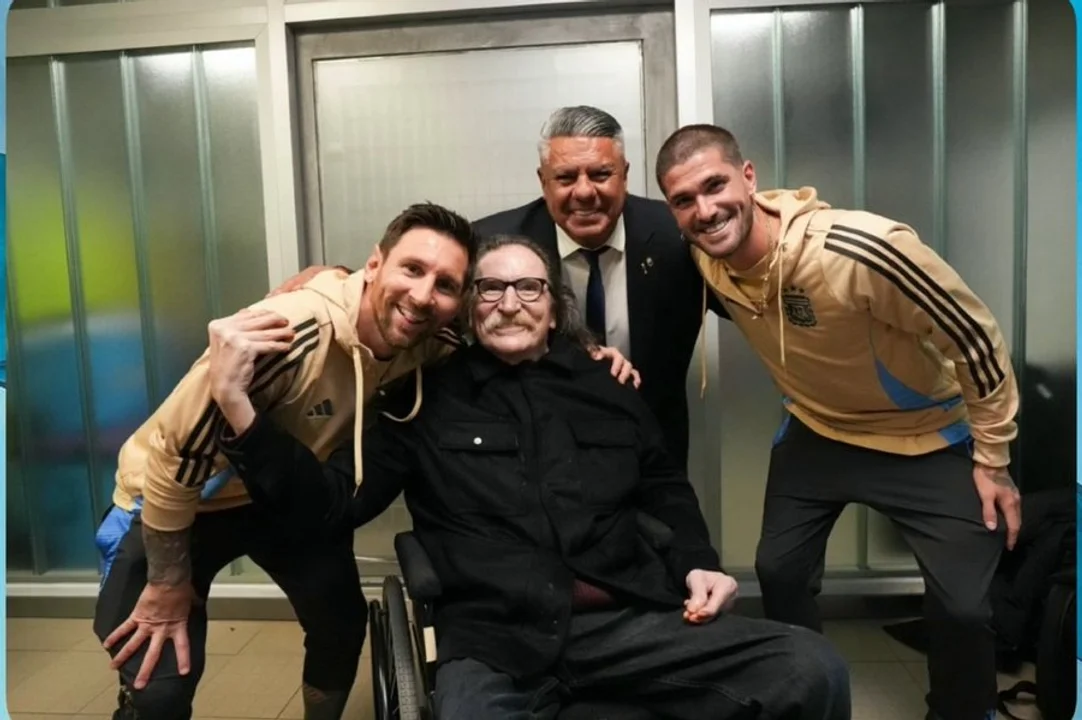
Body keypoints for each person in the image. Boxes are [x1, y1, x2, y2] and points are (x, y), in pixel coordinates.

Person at [208, 233, 852, 720]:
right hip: (493, 638)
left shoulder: (608, 385)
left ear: (554, 305)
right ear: (467, 308)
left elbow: (663, 486)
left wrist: (698, 563)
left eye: (529, 289)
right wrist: (243, 413)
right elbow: (335, 504)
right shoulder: (422, 397)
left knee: (810, 667)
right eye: (490, 289)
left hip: (628, 621)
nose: (510, 304)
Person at [653, 124, 1022, 720]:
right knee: (779, 570)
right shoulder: (703, 256)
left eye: (715, 185)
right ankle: (805, 696)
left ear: (749, 177)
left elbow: (973, 337)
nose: (705, 210)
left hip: (925, 432)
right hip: (819, 429)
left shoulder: (860, 249)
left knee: (963, 609)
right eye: (683, 200)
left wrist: (993, 458)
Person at [92, 203, 476, 720]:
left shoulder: (432, 340)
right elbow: (175, 457)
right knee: (158, 684)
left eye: (445, 284)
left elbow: (512, 317)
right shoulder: (283, 336)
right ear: (375, 264)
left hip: (275, 493)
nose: (424, 295)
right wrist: (166, 582)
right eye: (412, 269)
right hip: (179, 501)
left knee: (341, 624)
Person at [275, 106, 728, 470]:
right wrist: (342, 279)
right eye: (565, 178)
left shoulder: (679, 234)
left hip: (649, 450)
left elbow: (745, 293)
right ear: (542, 181)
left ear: (624, 174)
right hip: (526, 454)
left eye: (600, 174)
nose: (584, 192)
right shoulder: (491, 242)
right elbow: (415, 283)